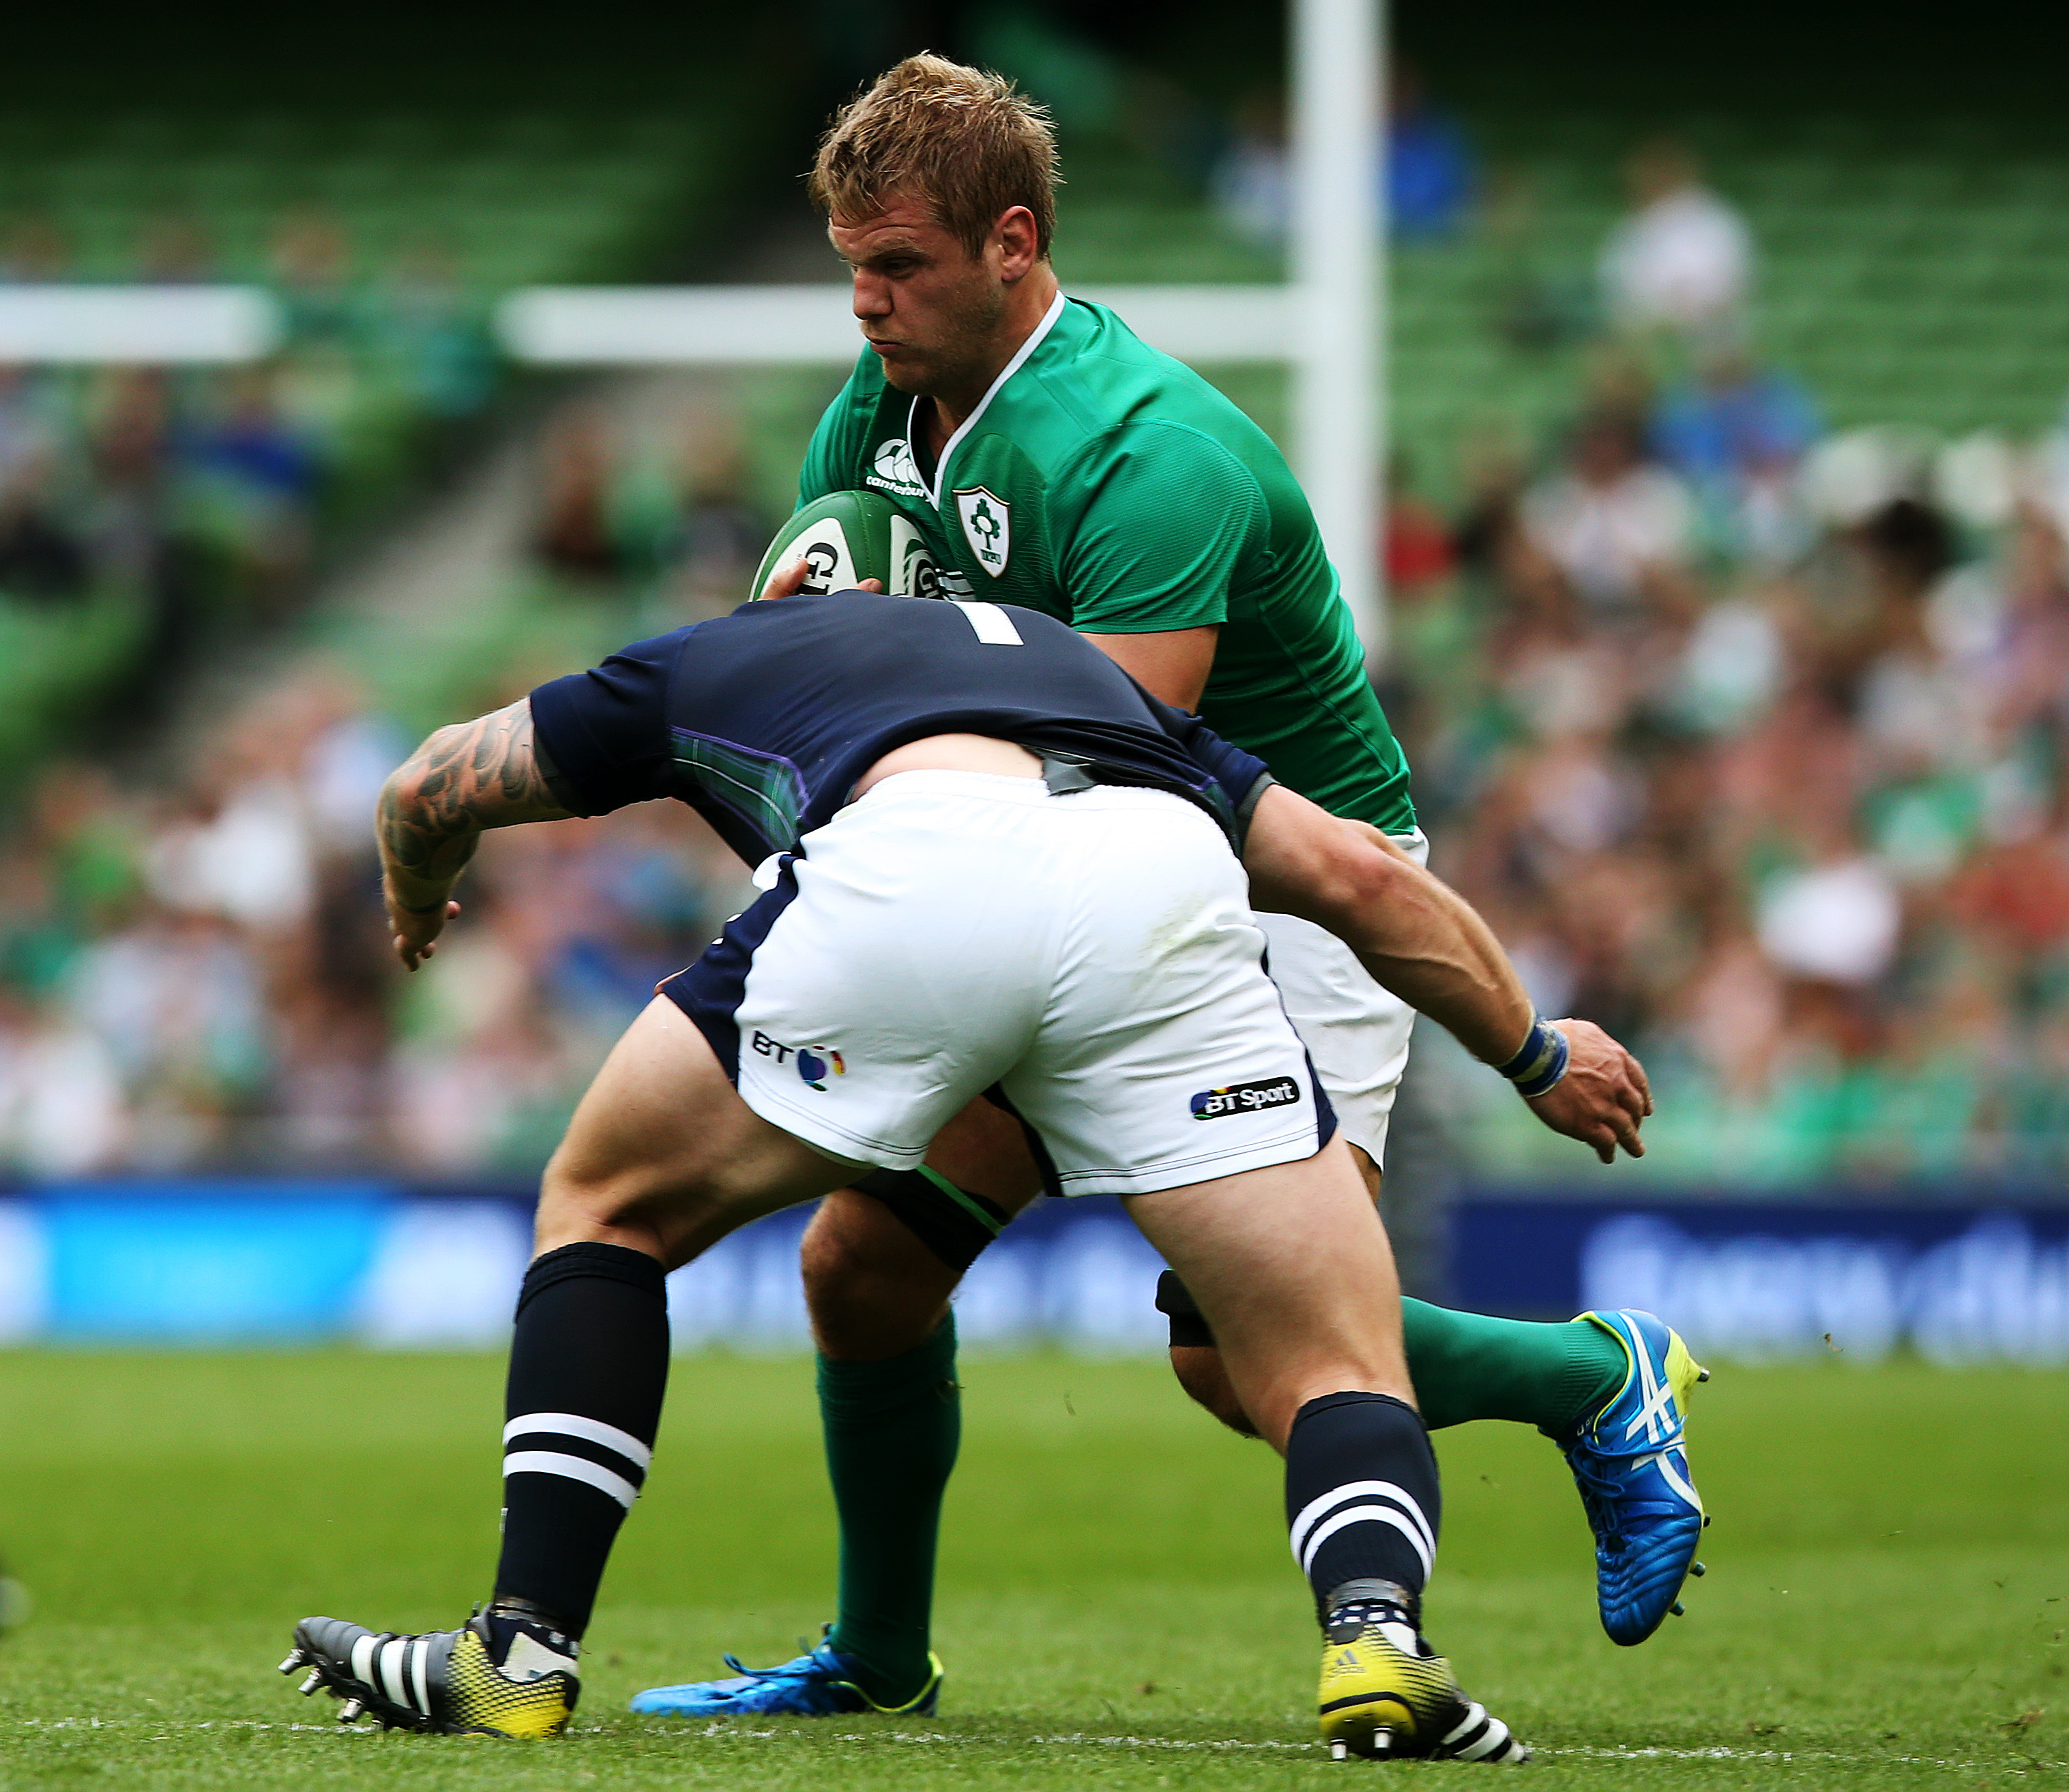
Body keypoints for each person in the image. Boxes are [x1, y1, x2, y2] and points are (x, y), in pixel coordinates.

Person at [638, 55, 1707, 1722]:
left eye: (898, 265)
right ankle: (876, 1661)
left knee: (1235, 1356)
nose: (863, 303)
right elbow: (841, 665)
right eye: (848, 261)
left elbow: (1118, 754)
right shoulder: (884, 406)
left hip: (1271, 890)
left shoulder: (1154, 453)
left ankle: (1592, 1378)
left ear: (1012, 242)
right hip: (1043, 869)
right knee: (862, 1268)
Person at [278, 591, 1662, 1757]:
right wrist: (1534, 1053)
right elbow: (1355, 876)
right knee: (1323, 1356)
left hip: (923, 859)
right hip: (1157, 888)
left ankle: (519, 1648)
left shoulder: (727, 652)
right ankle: (1375, 1642)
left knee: (607, 1209)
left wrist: (415, 883)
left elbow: (431, 784)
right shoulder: (1086, 668)